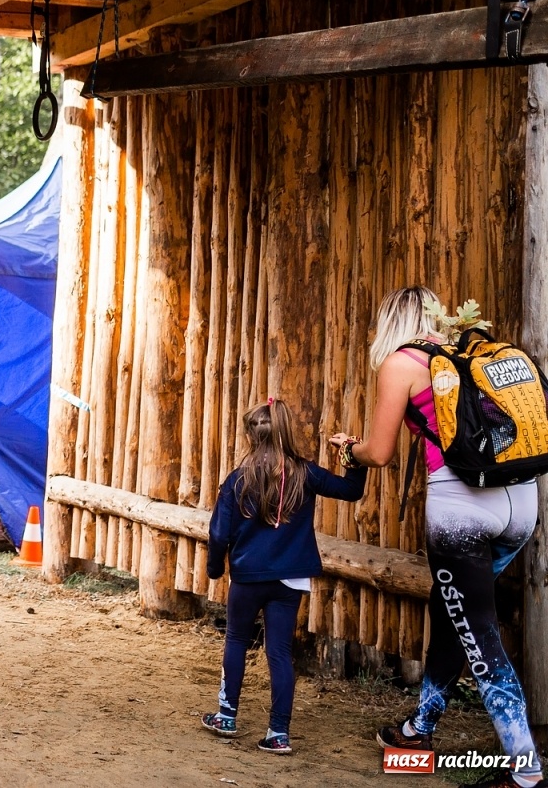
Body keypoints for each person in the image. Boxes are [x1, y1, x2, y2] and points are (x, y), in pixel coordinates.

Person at [336, 287, 543, 787]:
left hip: (462, 508)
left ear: (392, 320)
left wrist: (350, 450)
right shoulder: (466, 355)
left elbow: (380, 452)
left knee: (478, 632)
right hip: (522, 502)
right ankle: (418, 729)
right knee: (451, 610)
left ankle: (526, 770)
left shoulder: (400, 364)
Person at [202, 398, 366, 755]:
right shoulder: (306, 473)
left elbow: (218, 533)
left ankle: (226, 716)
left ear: (252, 435)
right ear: (286, 432)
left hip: (247, 577)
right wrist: (351, 454)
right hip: (290, 579)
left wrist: (216, 567)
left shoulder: (237, 479)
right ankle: (278, 733)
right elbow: (352, 491)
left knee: (236, 640)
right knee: (279, 652)